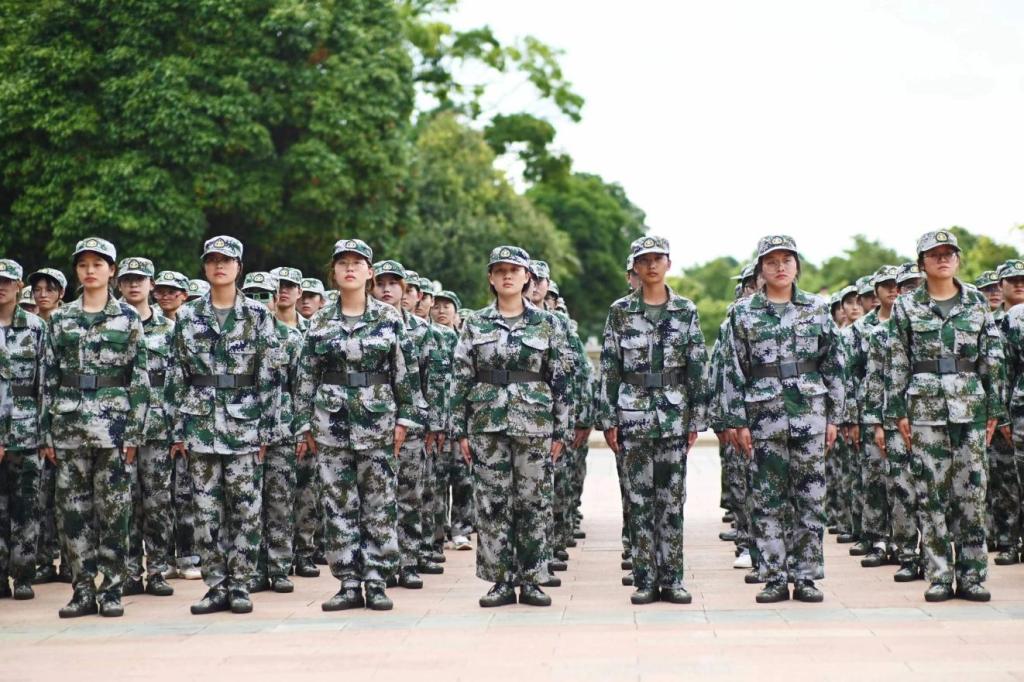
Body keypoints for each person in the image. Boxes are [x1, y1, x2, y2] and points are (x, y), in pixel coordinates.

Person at [293, 239, 422, 612]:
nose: (350, 268)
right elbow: (305, 376)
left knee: (379, 504)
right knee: (337, 504)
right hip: (330, 422)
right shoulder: (320, 321)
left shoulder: (388, 318)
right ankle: (348, 582)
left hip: (377, 422)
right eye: (342, 263)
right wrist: (303, 423)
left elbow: (405, 372)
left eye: (357, 263)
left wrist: (405, 418)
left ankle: (377, 580)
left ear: (369, 272)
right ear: (333, 272)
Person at [721, 235, 845, 604]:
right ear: (761, 268)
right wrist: (737, 420)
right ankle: (774, 576)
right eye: (772, 261)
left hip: (809, 414)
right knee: (767, 499)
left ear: (797, 266)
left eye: (787, 260)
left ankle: (806, 576)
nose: (780, 267)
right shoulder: (743, 313)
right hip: (764, 417)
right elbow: (732, 370)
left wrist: (835, 417)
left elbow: (833, 365)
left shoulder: (817, 309)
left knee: (810, 498)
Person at [886, 230, 1005, 602]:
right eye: (934, 254)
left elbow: (992, 356)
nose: (942, 259)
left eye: (948, 253)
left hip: (970, 408)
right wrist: (896, 411)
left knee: (972, 492)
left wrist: (995, 409)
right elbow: (897, 359)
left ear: (957, 259)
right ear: (921, 262)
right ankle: (939, 575)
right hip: (924, 410)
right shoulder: (907, 306)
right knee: (931, 493)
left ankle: (972, 576)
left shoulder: (976, 302)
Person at [166, 236, 280, 615]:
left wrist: (267, 430)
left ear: (238, 267)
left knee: (246, 508)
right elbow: (176, 376)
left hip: (245, 424)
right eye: (212, 260)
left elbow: (269, 376)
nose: (219, 266)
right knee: (205, 511)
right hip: (200, 424)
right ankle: (216, 585)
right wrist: (177, 429)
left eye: (226, 260)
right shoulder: (187, 316)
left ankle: (241, 584)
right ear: (204, 267)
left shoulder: (258, 315)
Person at [451, 245, 569, 608]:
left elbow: (561, 379)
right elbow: (460, 377)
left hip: (534, 424)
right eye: (500, 270)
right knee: (492, 503)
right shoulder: (475, 323)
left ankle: (532, 578)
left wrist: (561, 430)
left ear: (526, 277)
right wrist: (459, 430)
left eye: (514, 270)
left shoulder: (548, 323)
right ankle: (499, 580)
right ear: (490, 277)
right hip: (487, 424)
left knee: (534, 502)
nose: (507, 276)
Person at [41, 238, 150, 618]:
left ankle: (113, 589)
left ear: (111, 271)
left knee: (114, 513)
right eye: (83, 265)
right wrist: (46, 432)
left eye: (98, 264)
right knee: (72, 514)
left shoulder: (128, 318)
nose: (90, 271)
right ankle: (82, 590)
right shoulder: (61, 319)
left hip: (114, 428)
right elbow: (48, 378)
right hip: (69, 426)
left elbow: (139, 379)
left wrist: (134, 432)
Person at [598, 236, 707, 605]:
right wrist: (608, 417)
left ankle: (672, 578)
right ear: (635, 267)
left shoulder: (686, 310)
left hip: (674, 414)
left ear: (668, 264)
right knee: (639, 500)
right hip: (633, 414)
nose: (651, 266)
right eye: (644, 260)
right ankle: (645, 579)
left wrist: (696, 419)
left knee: (672, 500)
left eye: (658, 259)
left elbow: (697, 365)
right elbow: (609, 366)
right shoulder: (620, 311)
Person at [369, 260, 436, 589]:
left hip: (412, 426)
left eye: (394, 284)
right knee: (376, 499)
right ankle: (381, 564)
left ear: (405, 290)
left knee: (410, 496)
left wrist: (432, 424)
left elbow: (431, 381)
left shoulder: (421, 330)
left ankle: (408, 562)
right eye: (381, 283)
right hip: (372, 421)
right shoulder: (367, 324)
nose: (386, 289)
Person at [116, 257, 176, 598]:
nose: (134, 285)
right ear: (119, 284)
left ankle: (157, 570)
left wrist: (178, 428)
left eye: (140, 279)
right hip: (120, 426)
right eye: (128, 280)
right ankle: (129, 572)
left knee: (157, 503)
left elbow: (179, 381)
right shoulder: (113, 324)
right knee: (125, 503)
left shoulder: (169, 329)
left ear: (152, 284)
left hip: (158, 428)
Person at [241, 272, 304, 595]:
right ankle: (252, 569)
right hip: (241, 432)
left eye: (264, 295)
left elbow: (301, 389)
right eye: (251, 294)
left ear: (274, 299)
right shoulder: (235, 339)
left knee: (279, 502)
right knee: (247, 506)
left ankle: (278, 567)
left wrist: (301, 430)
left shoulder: (291, 338)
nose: (257, 301)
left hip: (282, 432)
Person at [865, 263, 924, 583]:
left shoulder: (935, 325)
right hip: (894, 419)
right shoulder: (881, 333)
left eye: (918, 285)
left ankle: (934, 554)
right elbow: (875, 381)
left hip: (933, 417)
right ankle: (908, 555)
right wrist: (876, 424)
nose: (913, 291)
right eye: (907, 286)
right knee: (902, 488)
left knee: (934, 491)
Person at [0, 259, 47, 601]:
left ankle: (24, 574)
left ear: (19, 286)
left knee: (26, 506)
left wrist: (45, 434)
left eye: (7, 281)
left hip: (26, 428)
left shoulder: (35, 327)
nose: (1, 286)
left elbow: (46, 383)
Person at [28, 267, 68, 585]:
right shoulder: (28, 328)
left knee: (68, 498)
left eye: (49, 289)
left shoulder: (66, 324)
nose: (42, 294)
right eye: (38, 289)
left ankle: (69, 561)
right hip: (32, 420)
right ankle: (43, 561)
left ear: (61, 293)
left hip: (67, 417)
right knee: (40, 497)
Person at [270, 267, 306, 332]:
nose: (283, 290)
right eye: (278, 285)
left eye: (290, 285)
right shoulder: (261, 325)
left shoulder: (311, 327)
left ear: (299, 292)